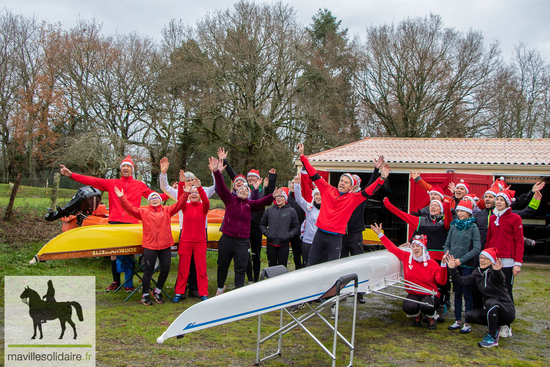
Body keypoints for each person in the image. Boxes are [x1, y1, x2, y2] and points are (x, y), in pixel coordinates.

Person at [60, 155, 168, 293]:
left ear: (132, 169)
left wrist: (174, 193)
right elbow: (92, 181)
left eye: (128, 166)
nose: (125, 168)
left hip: (131, 224)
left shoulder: (139, 185)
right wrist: (71, 175)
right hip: (115, 221)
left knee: (129, 254)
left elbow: (156, 197)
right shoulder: (112, 183)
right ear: (120, 169)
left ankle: (128, 284)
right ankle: (116, 281)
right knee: (114, 252)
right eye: (123, 166)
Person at [298, 143, 390, 266]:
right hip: (320, 234)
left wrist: (381, 178)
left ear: (351, 187)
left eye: (346, 182)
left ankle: (333, 285)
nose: (342, 183)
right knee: (311, 262)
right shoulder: (327, 189)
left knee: (332, 267)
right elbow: (313, 174)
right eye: (341, 180)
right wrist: (302, 156)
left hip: (335, 238)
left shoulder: (353, 198)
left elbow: (369, 191)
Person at [209, 157, 282, 295]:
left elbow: (262, 202)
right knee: (222, 264)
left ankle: (238, 291)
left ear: (248, 194)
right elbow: (222, 187)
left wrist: (273, 195)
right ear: (237, 191)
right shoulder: (230, 200)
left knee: (240, 267)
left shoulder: (250, 205)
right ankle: (220, 287)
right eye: (241, 189)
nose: (243, 191)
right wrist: (216, 172)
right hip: (227, 239)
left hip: (242, 241)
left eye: (245, 190)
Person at [114, 183, 186, 305]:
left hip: (165, 244)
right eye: (151, 198)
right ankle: (145, 294)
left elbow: (179, 204)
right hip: (150, 245)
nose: (154, 199)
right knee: (148, 271)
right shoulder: (144, 212)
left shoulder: (167, 210)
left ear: (160, 200)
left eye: (156, 197)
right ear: (149, 202)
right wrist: (121, 197)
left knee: (165, 268)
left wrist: (186, 193)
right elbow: (130, 209)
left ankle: (157, 291)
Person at [159, 157, 217, 301]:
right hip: (185, 234)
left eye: (192, 179)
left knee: (199, 266)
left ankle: (197, 290)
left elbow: (216, 187)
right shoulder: (183, 199)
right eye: (187, 180)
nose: (190, 183)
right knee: (184, 265)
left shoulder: (202, 194)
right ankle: (180, 291)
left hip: (200, 235)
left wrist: (214, 172)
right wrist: (165, 174)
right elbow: (170, 192)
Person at [371, 223, 447, 330]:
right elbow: (392, 248)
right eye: (413, 246)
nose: (415, 249)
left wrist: (443, 265)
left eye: (418, 246)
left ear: (423, 248)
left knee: (426, 306)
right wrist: (380, 234)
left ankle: (432, 317)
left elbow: (442, 282)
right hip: (414, 293)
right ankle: (417, 314)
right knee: (408, 306)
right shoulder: (407, 257)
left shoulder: (433, 263)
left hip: (429, 294)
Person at [445, 248, 515, 348]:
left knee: (490, 302)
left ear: (491, 261)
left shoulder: (496, 273)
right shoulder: (477, 273)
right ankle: (496, 326)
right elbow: (461, 281)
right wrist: (452, 269)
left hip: (507, 311)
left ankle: (492, 337)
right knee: (469, 315)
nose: (482, 260)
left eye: (485, 258)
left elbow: (499, 277)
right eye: (481, 258)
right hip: (491, 309)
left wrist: (497, 271)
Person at [485, 189, 524, 338]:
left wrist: (518, 262)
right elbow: (488, 239)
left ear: (507, 202)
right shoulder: (492, 218)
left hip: (508, 261)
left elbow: (519, 241)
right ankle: (495, 320)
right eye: (498, 199)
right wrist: (486, 257)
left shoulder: (515, 218)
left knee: (506, 291)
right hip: (493, 260)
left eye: (502, 200)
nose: (499, 202)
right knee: (493, 290)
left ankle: (507, 324)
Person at [443, 199, 481, 334]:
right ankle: (457, 320)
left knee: (467, 293)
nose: (459, 213)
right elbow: (447, 244)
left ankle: (468, 322)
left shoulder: (473, 228)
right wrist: (448, 256)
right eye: (458, 210)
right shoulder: (453, 226)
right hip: (453, 264)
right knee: (457, 292)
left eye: (462, 211)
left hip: (467, 266)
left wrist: (461, 260)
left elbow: (477, 248)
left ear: (469, 212)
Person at [173, 179, 210, 302]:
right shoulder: (185, 206)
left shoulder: (204, 207)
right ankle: (179, 292)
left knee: (201, 268)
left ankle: (203, 292)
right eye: (192, 192)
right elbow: (180, 201)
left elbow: (206, 201)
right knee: (183, 268)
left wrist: (200, 188)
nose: (194, 194)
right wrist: (183, 187)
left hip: (200, 241)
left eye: (196, 192)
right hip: (186, 241)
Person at [260, 187, 300, 268]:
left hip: (283, 244)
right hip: (271, 243)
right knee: (271, 266)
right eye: (277, 196)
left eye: (281, 196)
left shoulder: (291, 211)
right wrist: (267, 233)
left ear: (285, 198)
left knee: (282, 266)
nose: (278, 198)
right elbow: (262, 224)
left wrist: (288, 235)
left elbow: (296, 227)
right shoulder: (269, 210)